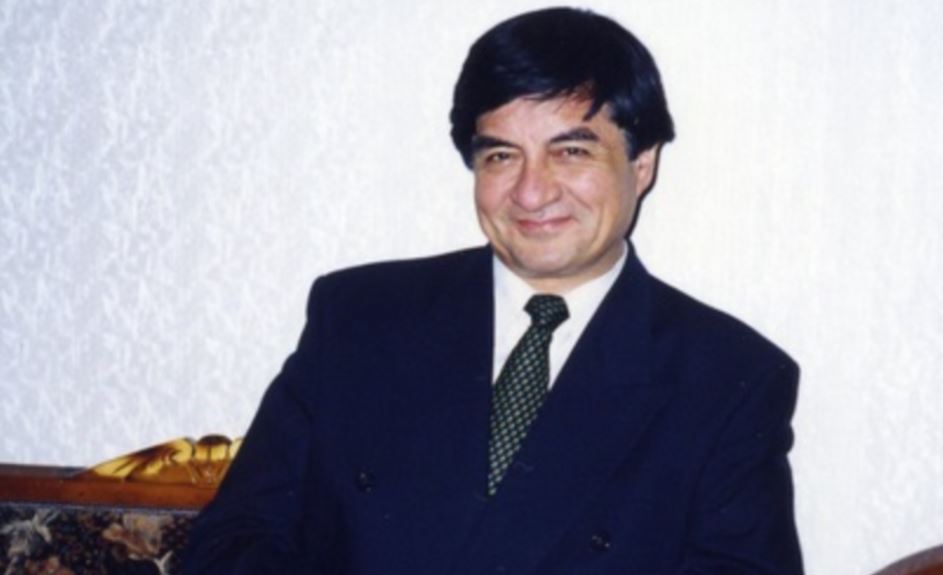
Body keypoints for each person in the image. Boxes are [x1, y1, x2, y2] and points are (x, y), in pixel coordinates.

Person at [183, 7, 803, 574]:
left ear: (642, 164)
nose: (532, 192)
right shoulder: (359, 318)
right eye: (502, 156)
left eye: (571, 151)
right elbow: (232, 542)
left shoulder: (728, 379)